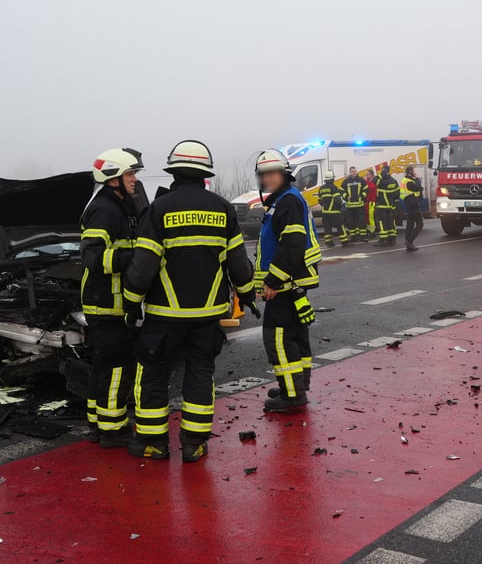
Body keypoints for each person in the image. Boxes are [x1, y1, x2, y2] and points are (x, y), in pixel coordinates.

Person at [122, 140, 257, 462]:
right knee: (200, 375)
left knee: (153, 375)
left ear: (173, 172)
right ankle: (193, 444)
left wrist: (130, 302)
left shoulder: (158, 210)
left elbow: (142, 267)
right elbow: (238, 264)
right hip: (207, 317)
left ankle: (154, 444)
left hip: (163, 316)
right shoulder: (222, 209)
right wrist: (248, 294)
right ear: (204, 174)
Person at [79, 147, 144, 448]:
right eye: (130, 173)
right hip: (105, 302)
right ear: (112, 177)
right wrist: (134, 258)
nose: (134, 179)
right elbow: (92, 256)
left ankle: (97, 422)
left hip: (106, 301)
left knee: (103, 365)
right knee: (119, 364)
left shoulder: (117, 206)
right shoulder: (105, 209)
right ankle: (113, 428)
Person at [252, 149, 322, 412]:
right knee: (295, 335)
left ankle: (292, 396)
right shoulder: (284, 200)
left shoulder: (288, 201)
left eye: (272, 173)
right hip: (291, 282)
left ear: (284, 174)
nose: (267, 178)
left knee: (278, 338)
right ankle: (295, 385)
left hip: (284, 283)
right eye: (263, 174)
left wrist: (272, 280)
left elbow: (292, 244)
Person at [317, 170, 347, 246]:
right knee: (340, 226)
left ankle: (328, 242)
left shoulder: (321, 188)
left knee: (327, 228)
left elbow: (320, 200)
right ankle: (345, 241)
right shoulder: (333, 188)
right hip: (334, 212)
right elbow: (338, 199)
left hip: (325, 212)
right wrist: (341, 205)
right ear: (332, 179)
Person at [374, 164, 400, 247]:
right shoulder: (393, 180)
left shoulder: (380, 179)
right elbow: (397, 194)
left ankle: (383, 240)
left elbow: (372, 182)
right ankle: (392, 239)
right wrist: (394, 204)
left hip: (381, 206)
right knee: (391, 223)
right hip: (390, 206)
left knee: (381, 223)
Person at [402, 165, 424, 251]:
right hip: (413, 205)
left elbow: (417, 188)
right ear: (411, 172)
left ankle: (408, 244)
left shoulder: (408, 180)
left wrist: (419, 187)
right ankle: (409, 241)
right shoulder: (408, 181)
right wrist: (418, 179)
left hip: (410, 204)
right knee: (420, 224)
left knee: (410, 225)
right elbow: (416, 188)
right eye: (414, 171)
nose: (415, 173)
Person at [341, 166, 367, 241]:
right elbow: (341, 191)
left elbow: (366, 189)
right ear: (350, 172)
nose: (354, 173)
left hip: (359, 205)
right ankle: (353, 237)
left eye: (355, 171)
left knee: (361, 221)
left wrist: (362, 196)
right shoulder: (346, 181)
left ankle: (363, 237)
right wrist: (346, 196)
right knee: (351, 222)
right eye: (352, 171)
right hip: (350, 206)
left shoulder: (361, 180)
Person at [365, 169, 378, 241]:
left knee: (371, 218)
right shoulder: (371, 182)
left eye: (367, 174)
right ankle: (370, 231)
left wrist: (365, 181)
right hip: (368, 202)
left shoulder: (372, 184)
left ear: (371, 175)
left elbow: (368, 188)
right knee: (368, 218)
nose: (366, 176)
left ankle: (372, 232)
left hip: (371, 203)